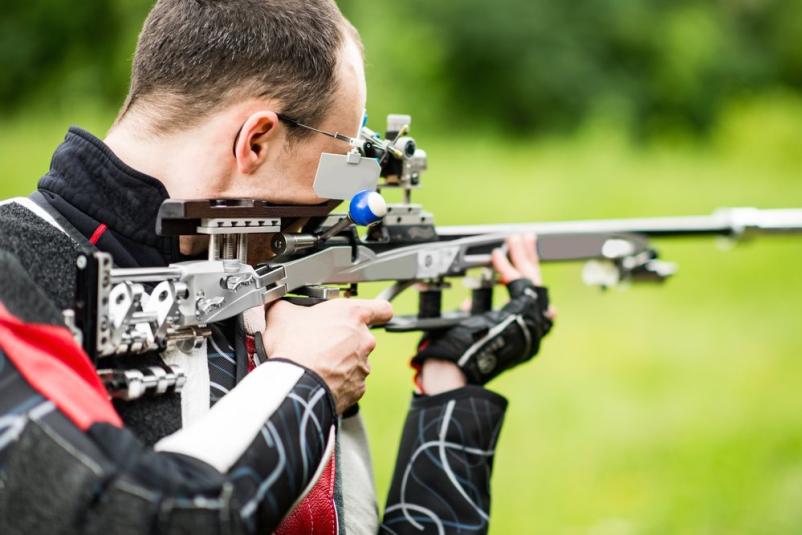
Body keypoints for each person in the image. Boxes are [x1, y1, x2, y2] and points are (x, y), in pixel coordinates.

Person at [0, 1, 554, 533]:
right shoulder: (13, 271)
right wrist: (301, 381)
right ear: (256, 141)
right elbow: (130, 520)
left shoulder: (264, 291)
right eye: (328, 174)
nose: (308, 229)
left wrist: (449, 388)